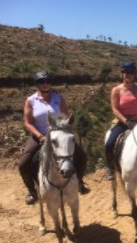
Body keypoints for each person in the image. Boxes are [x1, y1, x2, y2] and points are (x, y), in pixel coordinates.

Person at [18, 70, 90, 205]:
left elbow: (65, 117)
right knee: (23, 163)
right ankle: (32, 191)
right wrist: (40, 136)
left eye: (47, 81)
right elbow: (28, 122)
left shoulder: (58, 98)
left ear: (51, 83)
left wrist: (65, 132)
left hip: (59, 135)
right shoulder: (31, 100)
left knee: (82, 156)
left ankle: (80, 182)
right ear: (37, 84)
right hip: (39, 136)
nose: (45, 84)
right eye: (41, 82)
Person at [105, 61, 137, 181]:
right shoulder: (116, 90)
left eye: (130, 73)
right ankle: (110, 168)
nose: (128, 75)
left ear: (134, 75)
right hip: (121, 122)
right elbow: (115, 109)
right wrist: (125, 121)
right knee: (109, 144)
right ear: (122, 74)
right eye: (126, 72)